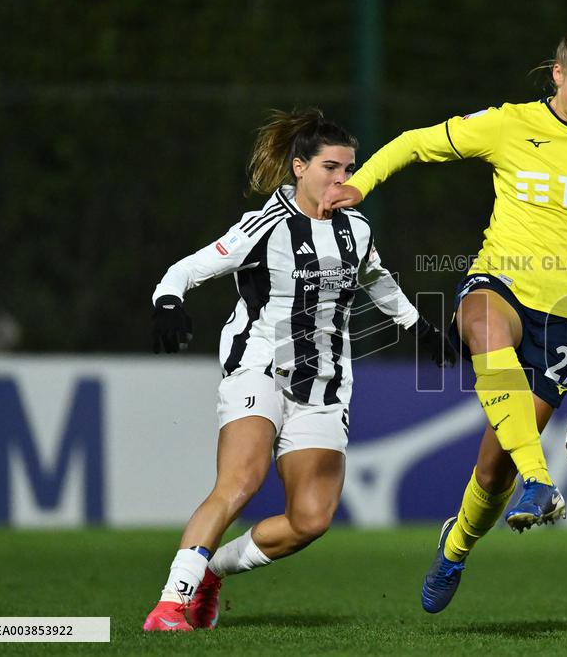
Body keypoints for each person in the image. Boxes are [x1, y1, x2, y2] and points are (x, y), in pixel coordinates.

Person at [320, 23, 567, 613]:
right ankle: (541, 480)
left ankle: (456, 546)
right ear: (558, 74)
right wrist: (362, 183)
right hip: (499, 282)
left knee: (492, 469)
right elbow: (416, 142)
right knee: (481, 324)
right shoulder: (508, 124)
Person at [142, 108, 453, 631]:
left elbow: (376, 278)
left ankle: (211, 572)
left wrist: (419, 328)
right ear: (299, 167)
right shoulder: (267, 224)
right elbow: (190, 266)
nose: (341, 180)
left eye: (348, 169)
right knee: (241, 479)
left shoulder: (356, 228)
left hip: (325, 384)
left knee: (311, 519)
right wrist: (168, 301)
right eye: (331, 168)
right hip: (259, 366)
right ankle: (171, 604)